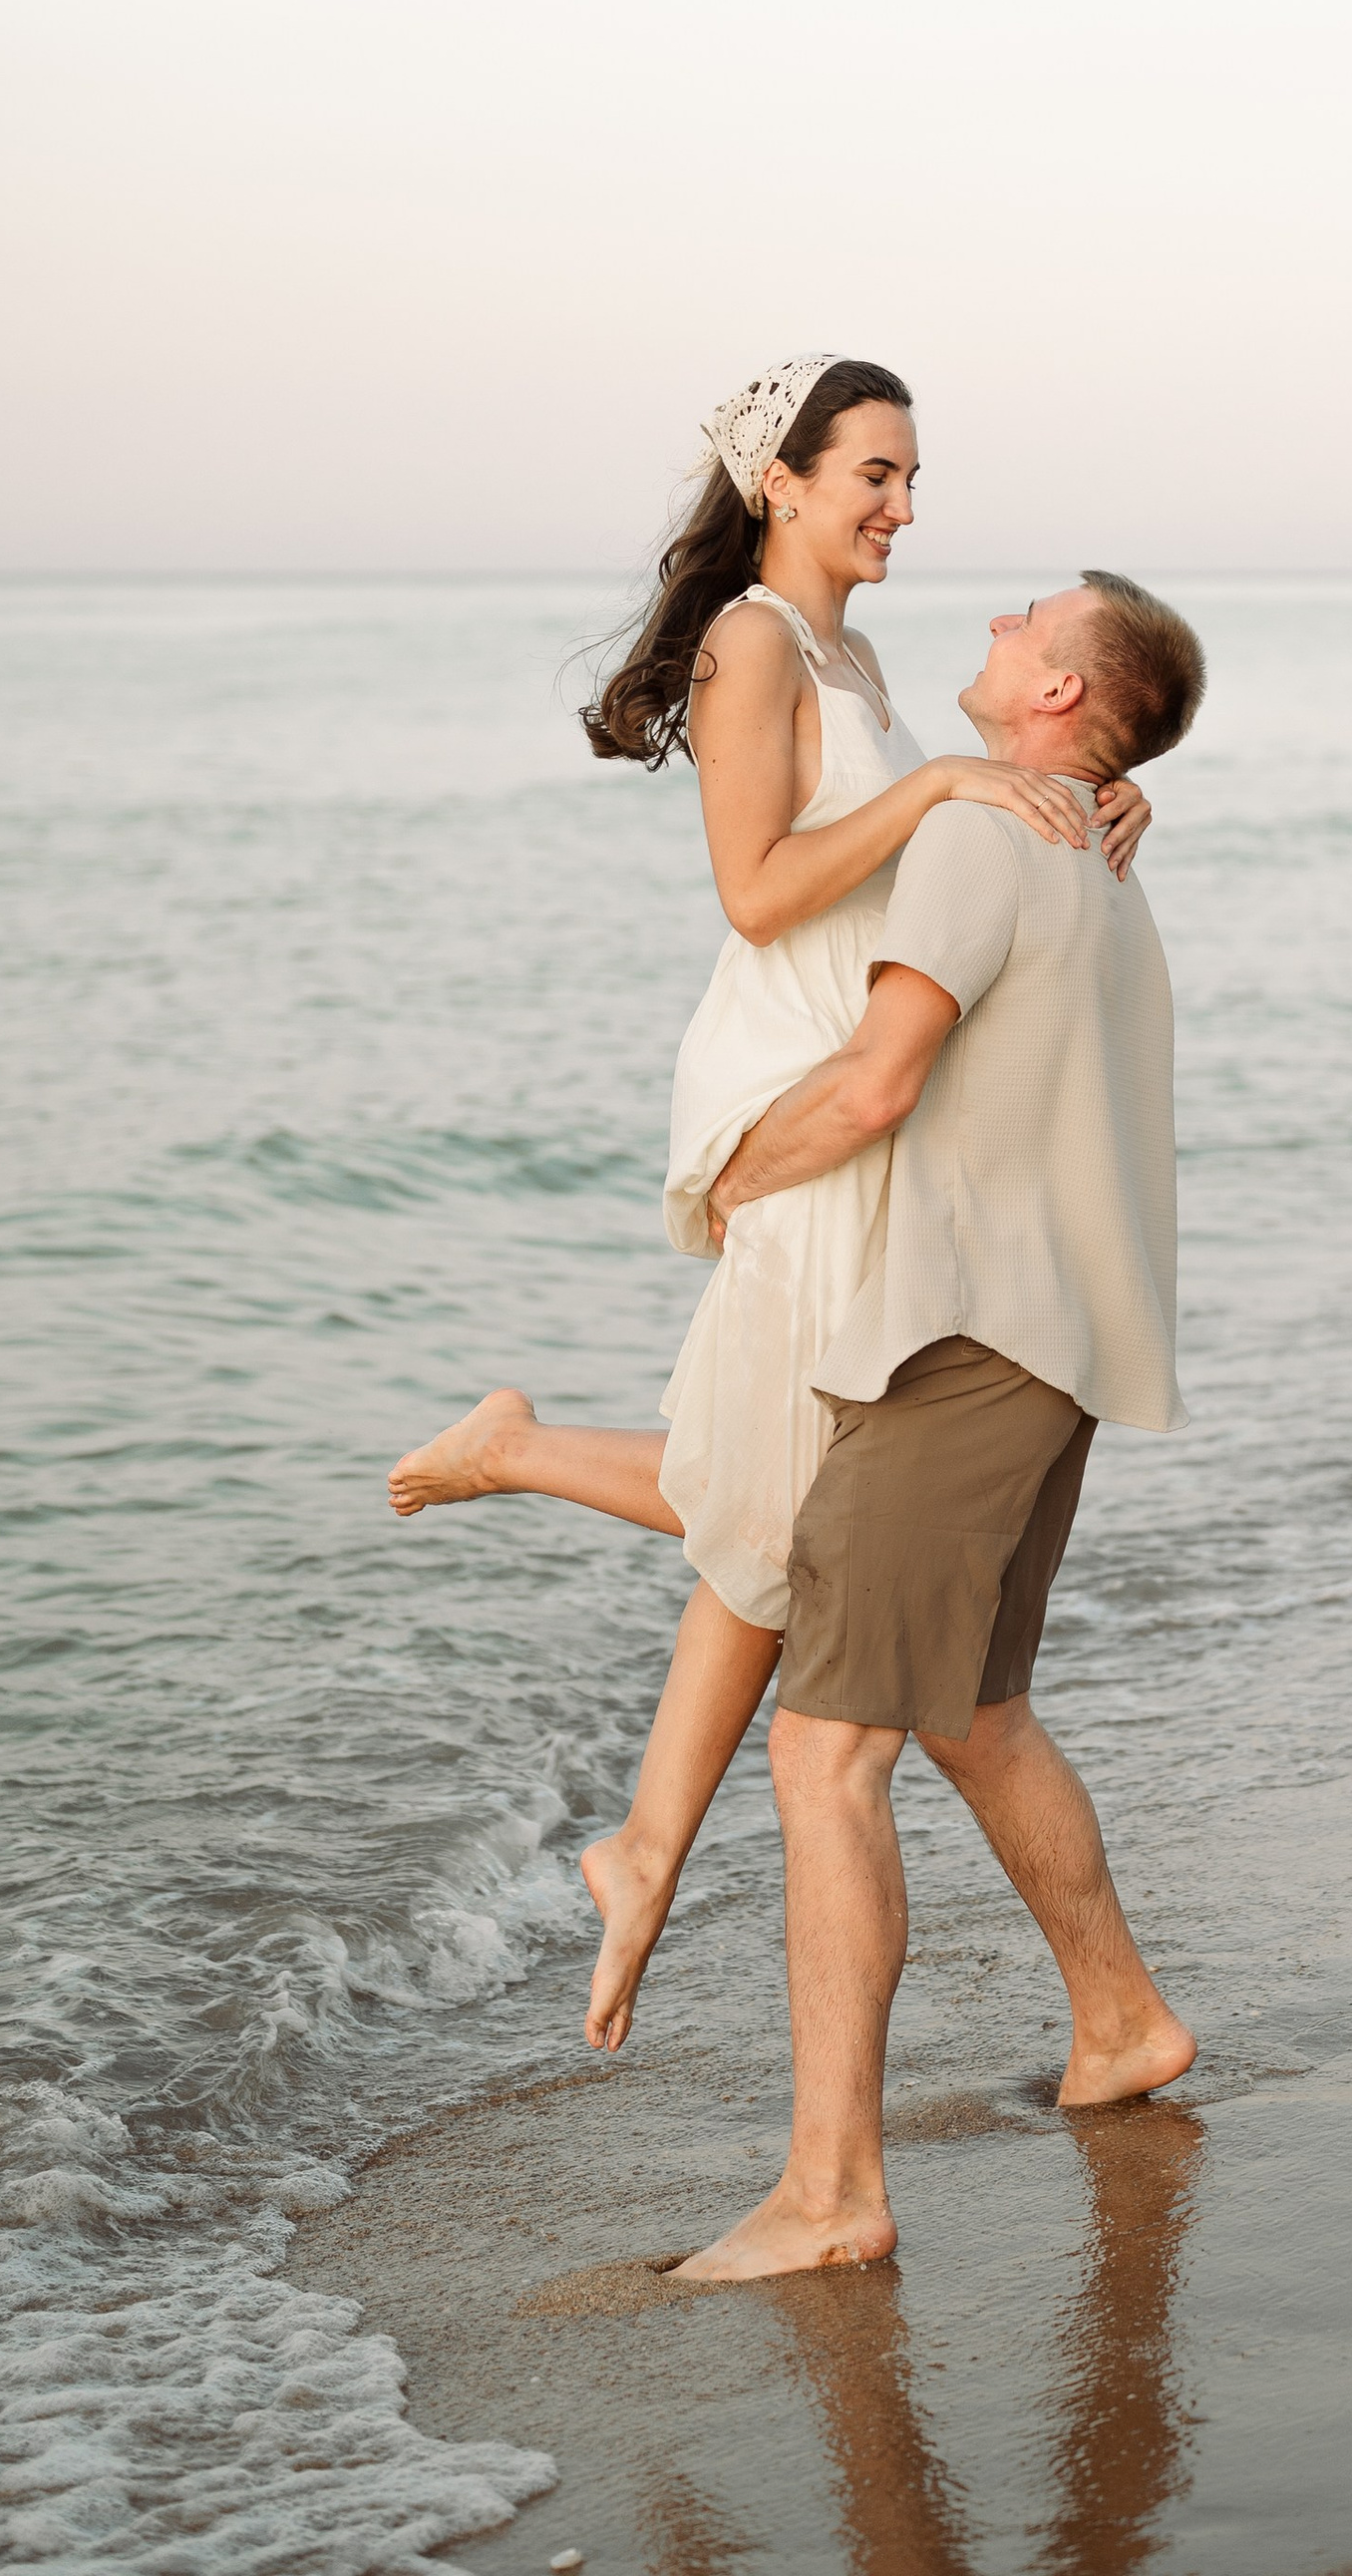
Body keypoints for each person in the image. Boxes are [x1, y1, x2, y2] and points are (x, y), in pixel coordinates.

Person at [385, 356, 1155, 2052]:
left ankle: (644, 1844)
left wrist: (1088, 791)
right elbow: (755, 893)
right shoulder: (750, 638)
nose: (899, 506)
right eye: (871, 473)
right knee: (795, 1502)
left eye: (911, 479)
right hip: (798, 1081)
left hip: (866, 1090)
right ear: (781, 483)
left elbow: (940, 857)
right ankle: (524, 1480)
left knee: (792, 1495)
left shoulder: (856, 656)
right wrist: (949, 781)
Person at [669, 567, 1207, 2283]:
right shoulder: (1101, 862)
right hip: (1064, 1350)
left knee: (827, 1753)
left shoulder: (990, 838)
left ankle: (832, 2193)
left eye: (1023, 619)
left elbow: (879, 1077)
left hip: (964, 1342)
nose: (989, 615)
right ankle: (1118, 2021)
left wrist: (729, 1183)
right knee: (977, 1707)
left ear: (1058, 693)